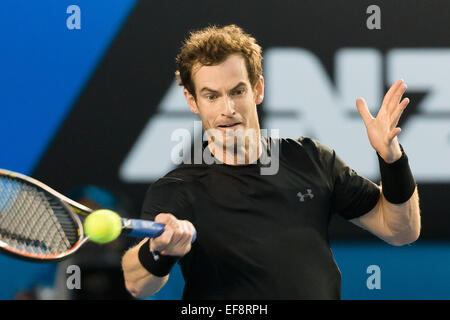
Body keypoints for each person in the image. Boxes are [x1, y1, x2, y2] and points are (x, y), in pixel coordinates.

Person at [121, 24, 421, 299]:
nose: (227, 109)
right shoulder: (177, 189)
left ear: (258, 89)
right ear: (192, 101)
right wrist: (158, 251)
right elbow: (136, 283)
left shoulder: (312, 159)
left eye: (237, 91)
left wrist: (391, 158)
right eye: (211, 96)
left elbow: (400, 231)